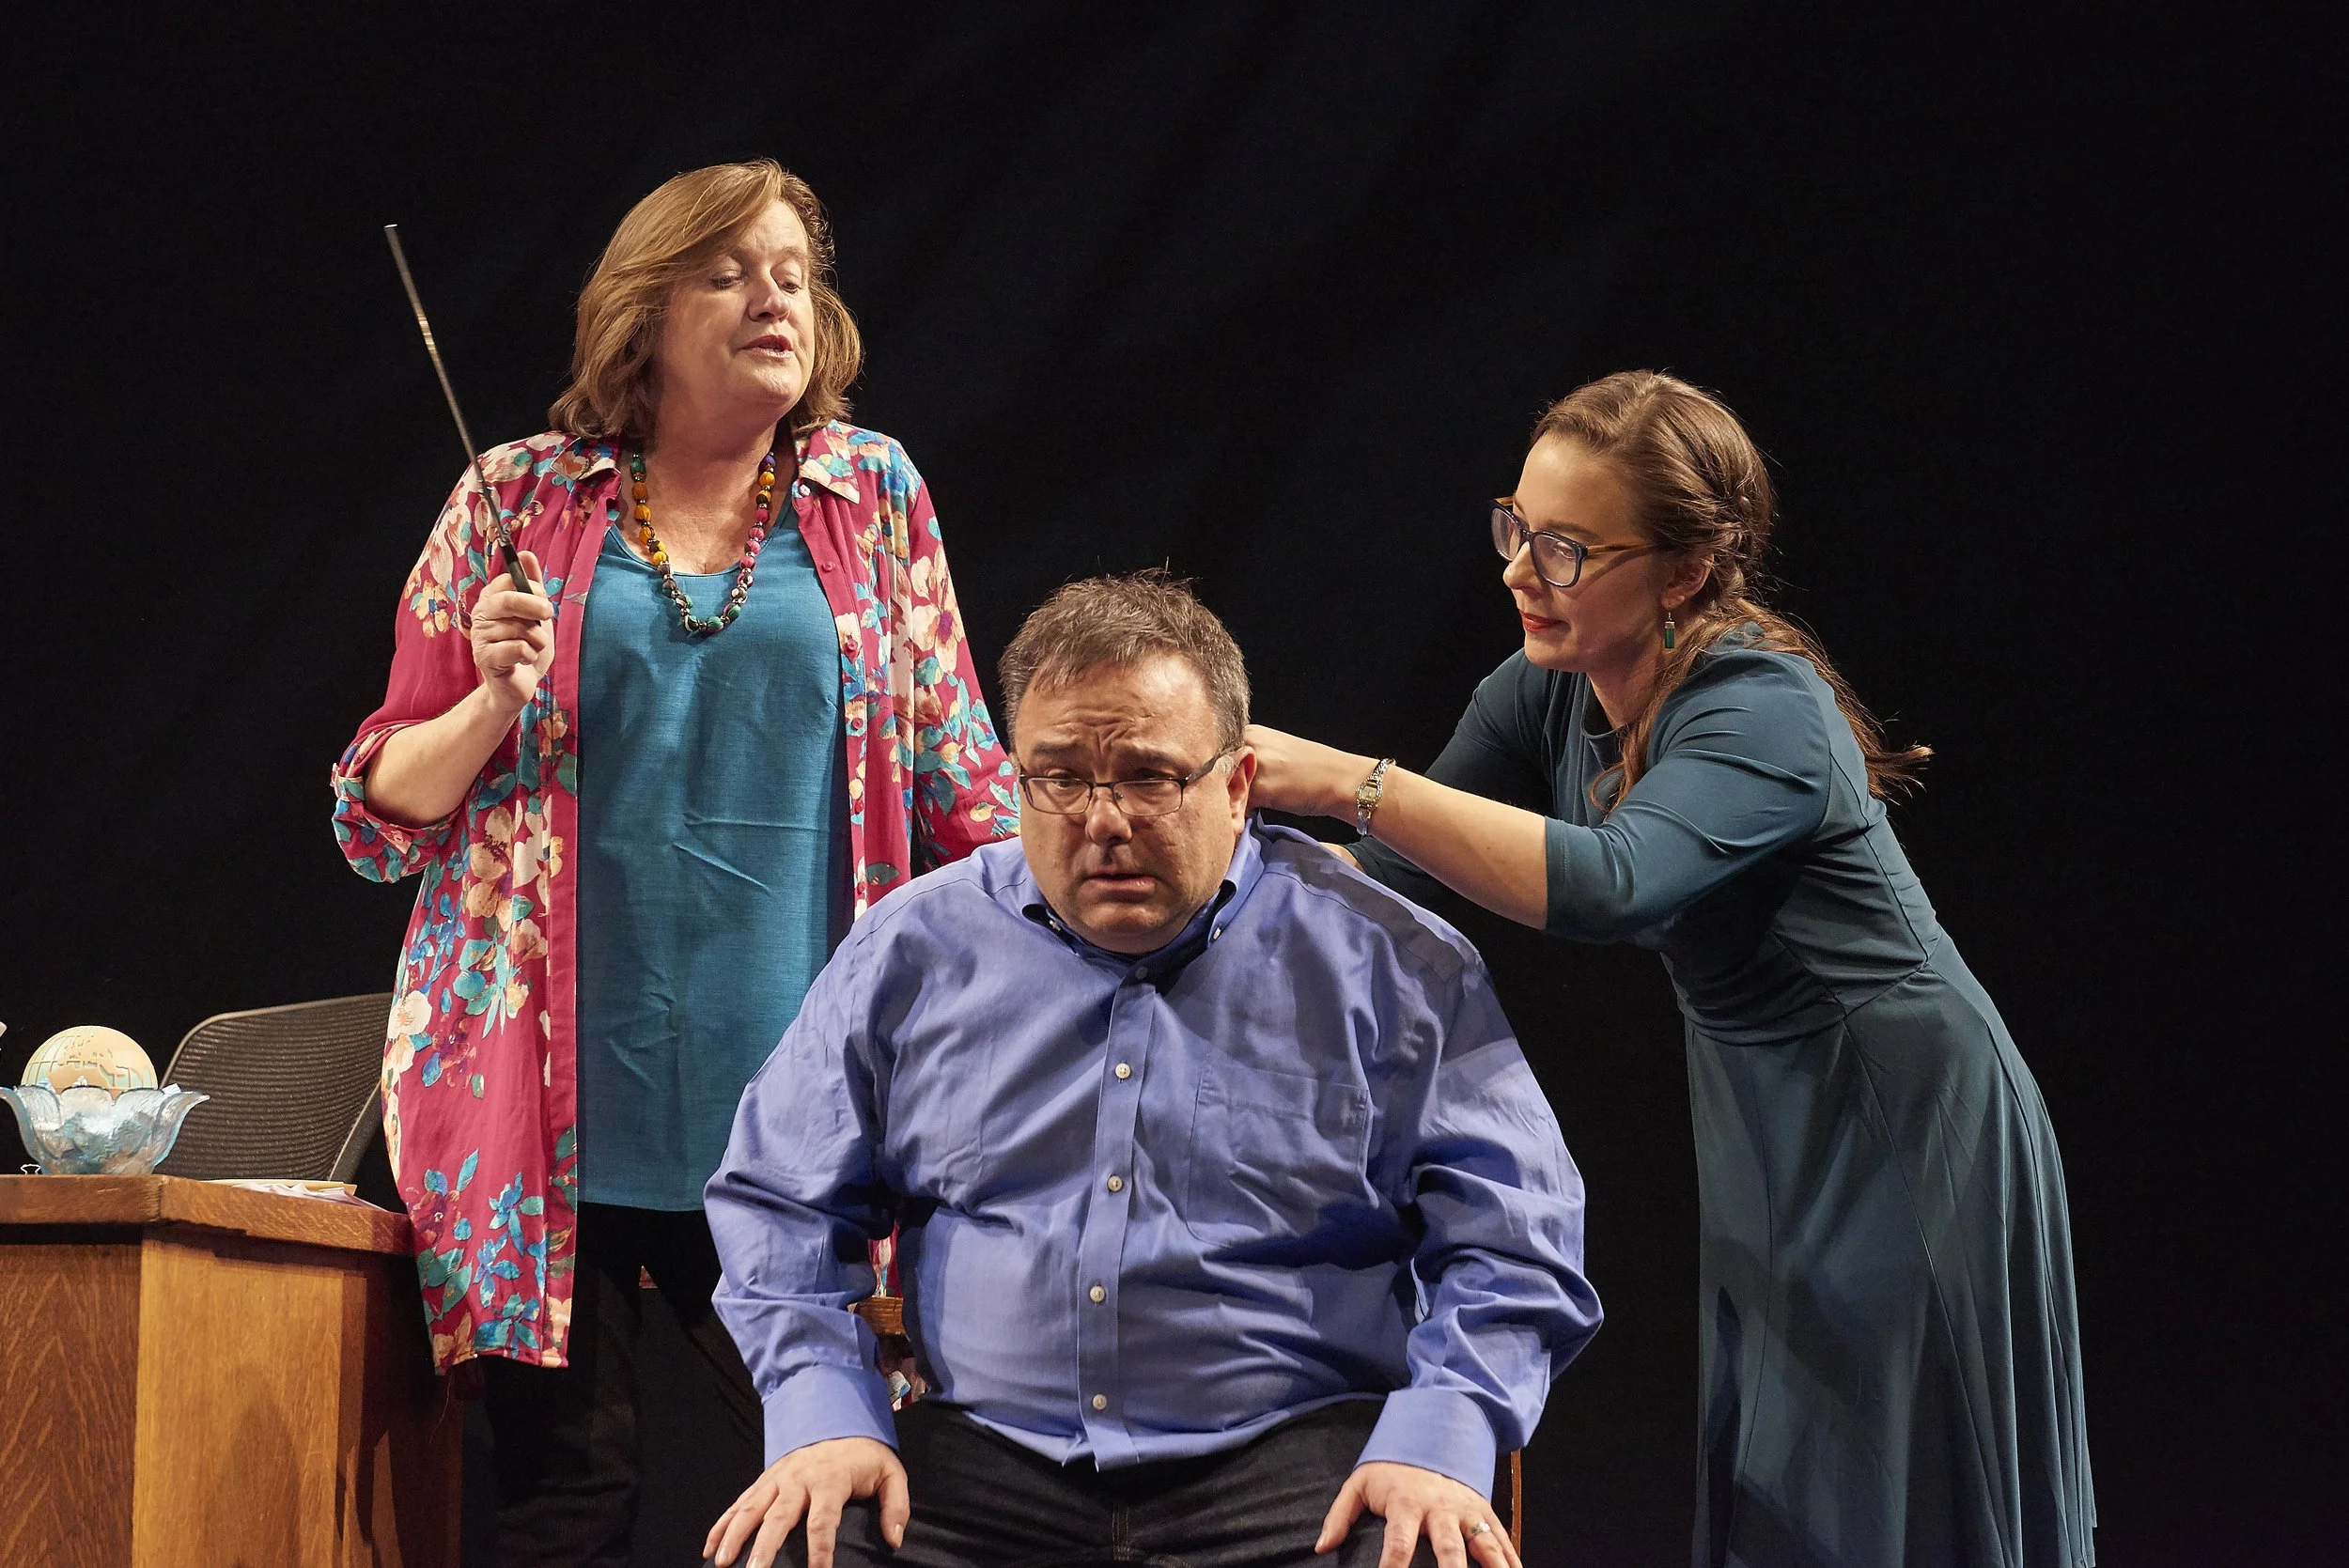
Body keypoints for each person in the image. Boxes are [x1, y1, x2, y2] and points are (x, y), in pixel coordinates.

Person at [1247, 372, 2093, 1567]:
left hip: (1898, 1117)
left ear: (1686, 569)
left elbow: (1609, 882)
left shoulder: (1762, 704)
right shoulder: (1548, 687)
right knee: (1782, 1477)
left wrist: (1347, 776)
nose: (1518, 572)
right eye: (1514, 528)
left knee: (1877, 1488)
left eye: (1564, 548)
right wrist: (1210, 860)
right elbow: (1402, 872)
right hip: (1765, 1116)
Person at [331, 159, 1018, 1564]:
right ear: (644, 311)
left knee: (853, 1502)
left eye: (794, 271)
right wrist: (489, 700)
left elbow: (964, 779)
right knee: (567, 1509)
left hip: (798, 1116)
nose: (777, 296)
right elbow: (377, 811)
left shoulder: (867, 492)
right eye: (730, 271)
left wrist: (1125, 900)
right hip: (541, 1110)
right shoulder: (516, 497)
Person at [701, 573, 1601, 1568]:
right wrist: (825, 1411)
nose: (1104, 819)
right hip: (989, 1451)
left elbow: (1515, 1241)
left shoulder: (1390, 962)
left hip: (1293, 1456)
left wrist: (1445, 1434)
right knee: (790, 1547)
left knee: (1427, 1555)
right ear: (1016, 780)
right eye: (1061, 778)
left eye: (1147, 776)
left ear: (1238, 783)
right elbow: (779, 1198)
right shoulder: (913, 949)